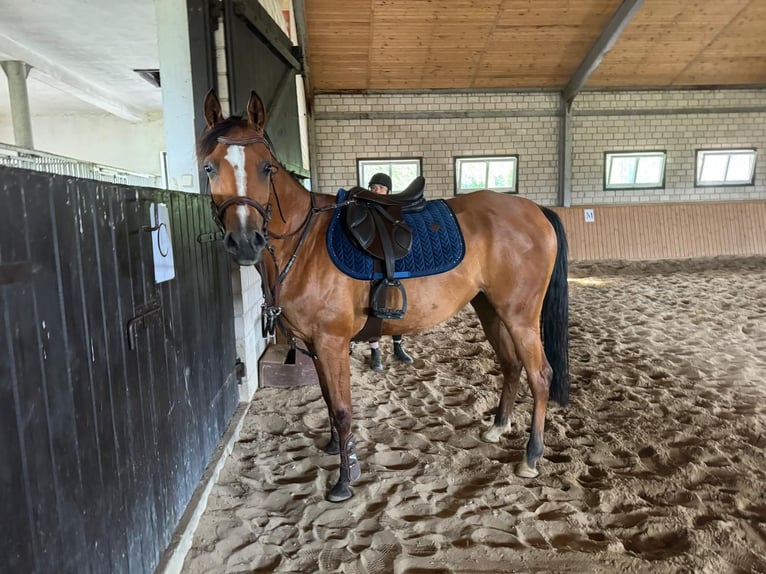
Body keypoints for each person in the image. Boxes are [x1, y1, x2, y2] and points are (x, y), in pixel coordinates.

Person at [366, 172, 415, 371]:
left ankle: (397, 346)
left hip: (393, 260)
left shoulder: (396, 211)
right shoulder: (365, 208)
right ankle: (375, 351)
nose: (375, 190)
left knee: (394, 303)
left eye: (379, 187)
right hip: (373, 262)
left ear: (388, 190)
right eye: (373, 187)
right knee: (372, 306)